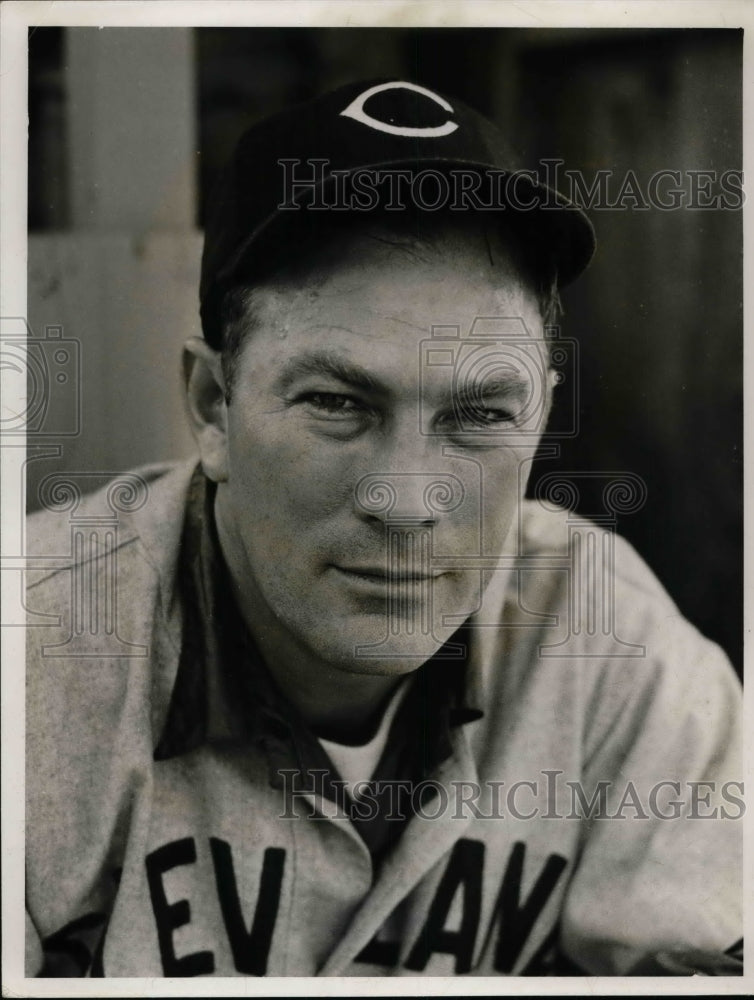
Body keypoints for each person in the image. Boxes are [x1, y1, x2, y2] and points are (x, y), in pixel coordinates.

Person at [25, 79, 742, 978]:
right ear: (213, 407)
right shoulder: (38, 662)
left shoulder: (620, 654)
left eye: (479, 414)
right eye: (335, 402)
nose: (406, 500)